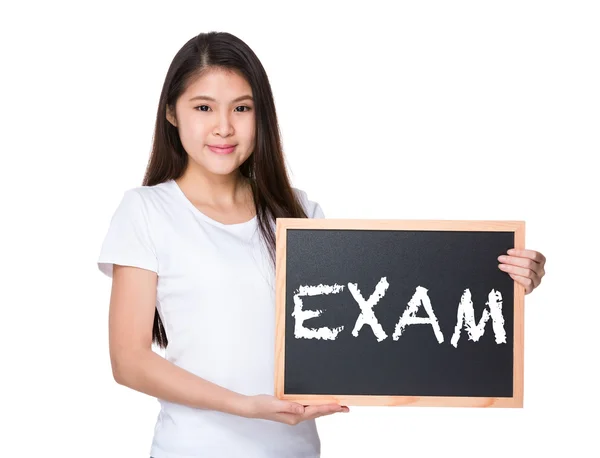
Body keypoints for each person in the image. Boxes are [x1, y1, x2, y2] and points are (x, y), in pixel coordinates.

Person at [97, 31, 547, 458]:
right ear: (172, 113)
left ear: (262, 115)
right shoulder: (146, 212)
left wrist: (497, 276)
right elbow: (130, 360)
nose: (223, 128)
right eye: (202, 108)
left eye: (241, 108)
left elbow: (379, 313)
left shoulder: (298, 214)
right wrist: (244, 406)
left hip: (295, 450)